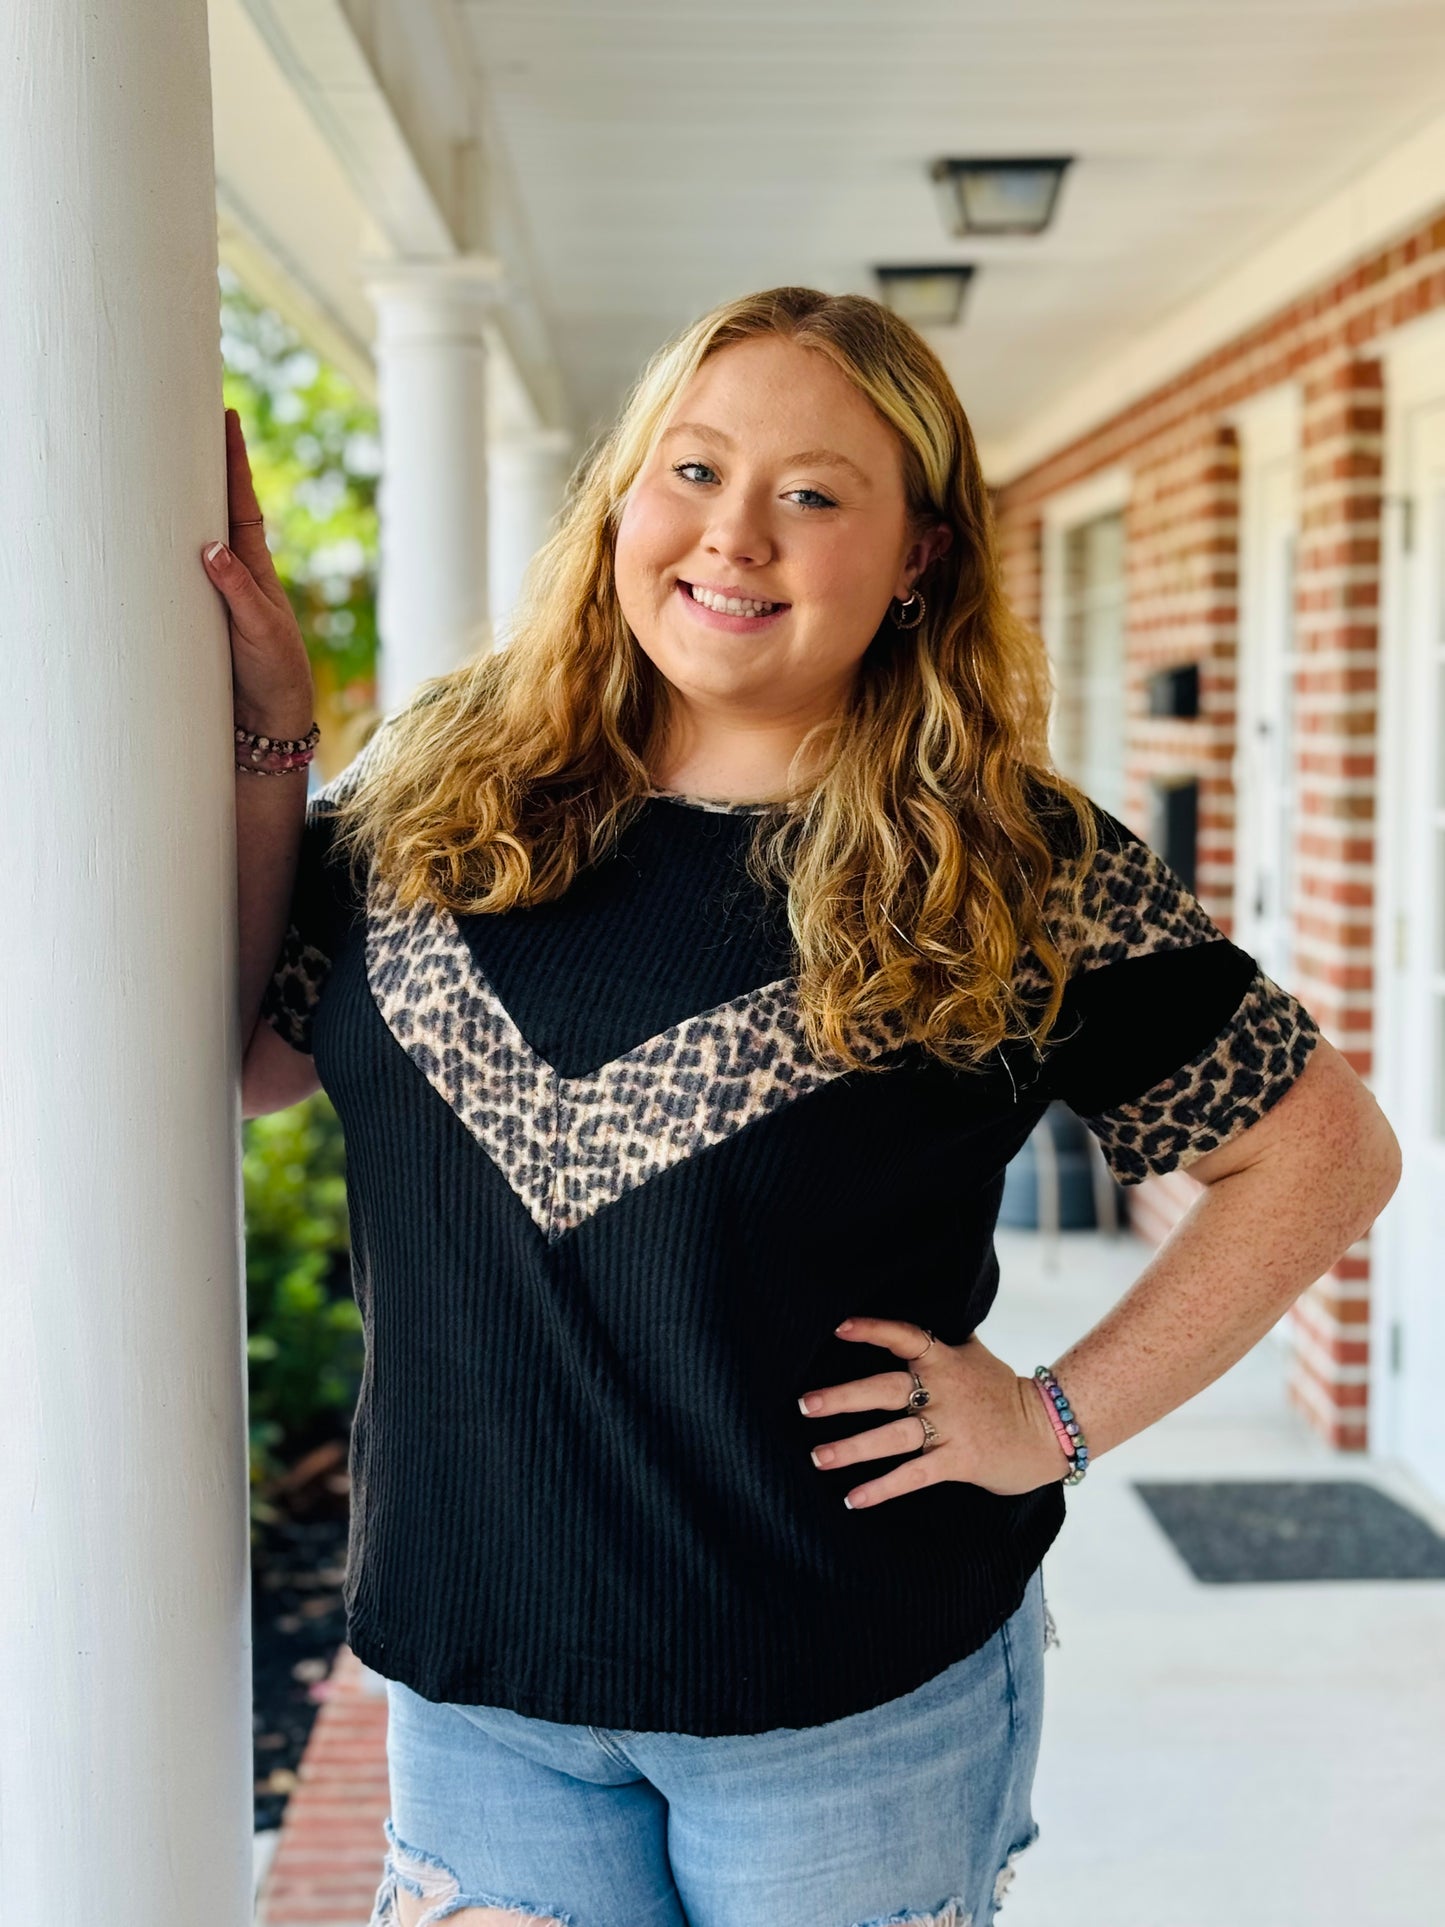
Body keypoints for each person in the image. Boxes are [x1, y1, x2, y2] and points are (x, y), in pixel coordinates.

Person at [211, 286, 1400, 1927]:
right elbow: (263, 1056)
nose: (734, 537)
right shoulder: (440, 789)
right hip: (482, 1692)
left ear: (917, 554)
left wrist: (1049, 1419)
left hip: (846, 1698)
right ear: (622, 499)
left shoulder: (1010, 872)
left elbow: (1323, 1152)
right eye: (690, 471)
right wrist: (272, 738)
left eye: (814, 493)